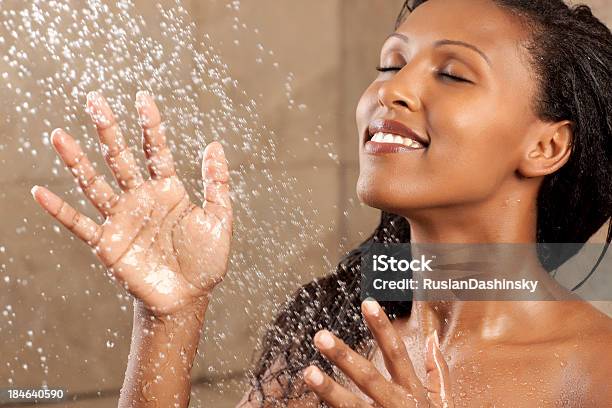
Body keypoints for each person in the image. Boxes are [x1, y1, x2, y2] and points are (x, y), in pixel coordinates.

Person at [30, 0, 612, 406]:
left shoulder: (596, 371)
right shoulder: (330, 332)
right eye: (391, 63)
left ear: (547, 145)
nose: (393, 89)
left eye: (454, 75)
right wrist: (170, 319)